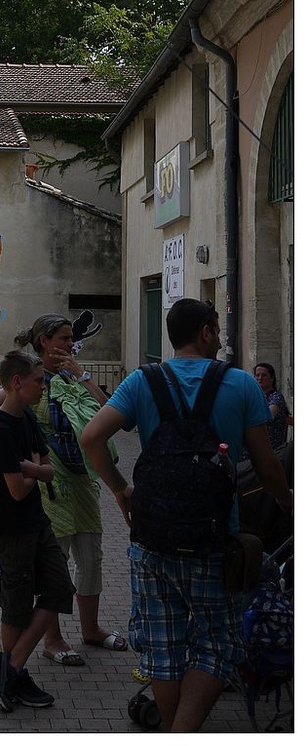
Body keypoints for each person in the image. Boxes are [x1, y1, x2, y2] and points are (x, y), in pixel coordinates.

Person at [80, 298, 293, 732]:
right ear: (206, 333)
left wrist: (121, 490)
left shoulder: (142, 382)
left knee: (162, 649)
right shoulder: (240, 385)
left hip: (152, 539)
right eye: (216, 328)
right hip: (215, 541)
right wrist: (290, 504)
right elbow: (268, 466)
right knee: (217, 644)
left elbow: (90, 437)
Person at [0, 314, 126, 666]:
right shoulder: (32, 377)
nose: (69, 344)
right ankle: (53, 640)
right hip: (49, 487)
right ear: (43, 341)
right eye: (63, 338)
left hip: (84, 483)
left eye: (72, 338)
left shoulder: (74, 376)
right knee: (54, 564)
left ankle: (91, 629)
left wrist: (80, 373)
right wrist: (22, 459)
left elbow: (111, 411)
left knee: (91, 559)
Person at [0, 349, 76, 712]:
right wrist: (33, 470)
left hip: (38, 523)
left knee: (60, 589)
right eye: (37, 381)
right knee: (16, 607)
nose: (42, 387)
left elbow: (48, 470)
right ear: (17, 383)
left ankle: (11, 667)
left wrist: (28, 467)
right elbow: (17, 490)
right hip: (13, 529)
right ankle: (12, 675)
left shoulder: (29, 422)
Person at [253, 362, 290, 449]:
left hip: (269, 446)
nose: (260, 378)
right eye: (257, 375)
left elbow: (267, 417)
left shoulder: (276, 397)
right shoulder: (255, 396)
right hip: (256, 440)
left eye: (264, 375)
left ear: (272, 378)